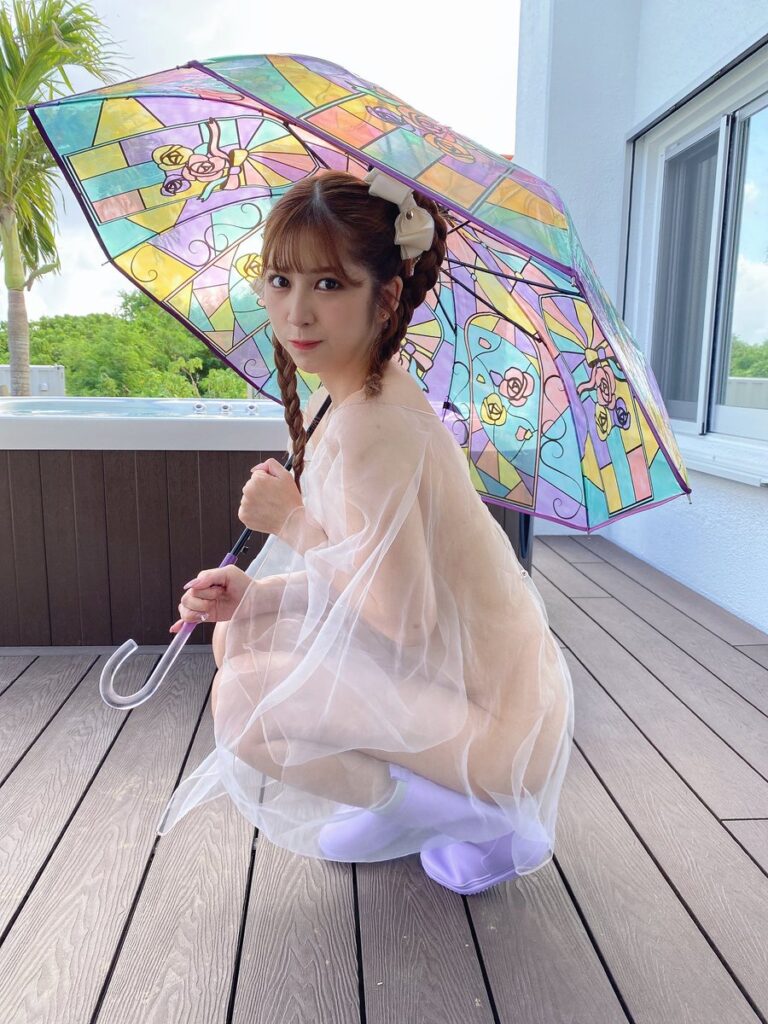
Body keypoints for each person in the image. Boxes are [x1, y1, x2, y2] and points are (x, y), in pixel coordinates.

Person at [156, 168, 574, 896]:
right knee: (240, 633)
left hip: (497, 728)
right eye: (280, 281)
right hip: (458, 682)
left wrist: (292, 520)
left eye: (329, 284)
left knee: (244, 700)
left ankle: (477, 819)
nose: (297, 312)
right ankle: (407, 804)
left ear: (384, 298)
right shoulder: (353, 398)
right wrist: (257, 593)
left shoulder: (372, 427)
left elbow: (402, 622)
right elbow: (373, 570)